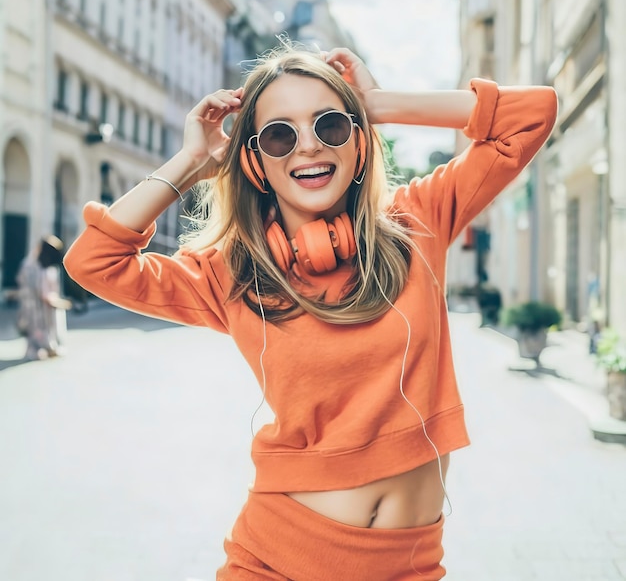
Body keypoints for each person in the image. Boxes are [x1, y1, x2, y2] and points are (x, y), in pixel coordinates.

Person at [63, 42, 557, 580]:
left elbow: (532, 114)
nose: (308, 147)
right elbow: (94, 262)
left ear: (358, 139)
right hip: (280, 559)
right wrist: (193, 162)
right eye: (279, 134)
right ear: (254, 160)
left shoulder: (418, 222)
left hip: (412, 564)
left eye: (330, 125)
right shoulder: (232, 273)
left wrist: (380, 102)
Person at [17, 235, 72, 360]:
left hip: (36, 308)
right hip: (38, 308)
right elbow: (44, 294)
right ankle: (45, 348)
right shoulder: (36, 267)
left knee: (40, 330)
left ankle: (45, 348)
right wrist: (58, 301)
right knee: (41, 329)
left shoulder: (35, 265)